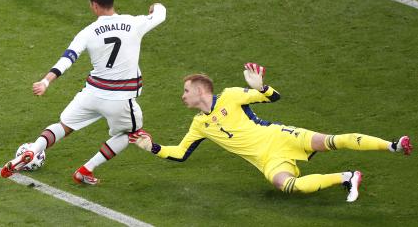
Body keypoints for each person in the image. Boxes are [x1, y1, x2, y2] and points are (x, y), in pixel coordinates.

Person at [129, 62, 413, 202]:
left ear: (201, 91)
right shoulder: (199, 125)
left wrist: (260, 86)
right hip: (268, 161)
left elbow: (272, 98)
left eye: (186, 91)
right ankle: (348, 177)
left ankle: (393, 146)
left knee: (331, 141)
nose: (182, 96)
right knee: (288, 186)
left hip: (279, 136)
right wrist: (152, 147)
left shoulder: (230, 96)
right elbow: (180, 154)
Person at [1, 0, 166, 185]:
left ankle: (33, 150)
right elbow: (160, 14)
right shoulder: (134, 23)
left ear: (94, 5)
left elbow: (68, 58)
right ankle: (85, 170)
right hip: (120, 100)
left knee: (63, 126)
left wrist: (45, 81)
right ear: (111, 1)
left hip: (92, 94)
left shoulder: (88, 32)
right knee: (132, 134)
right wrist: (156, 6)